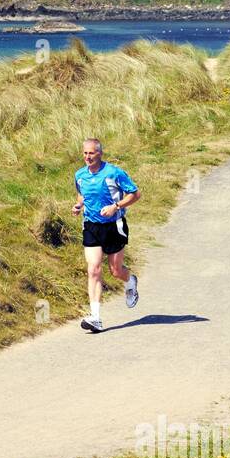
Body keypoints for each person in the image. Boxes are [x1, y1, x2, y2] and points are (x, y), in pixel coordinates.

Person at [71, 138, 141, 332]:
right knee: (93, 269)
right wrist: (79, 206)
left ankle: (130, 281)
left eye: (91, 153)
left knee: (115, 271)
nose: (87, 157)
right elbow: (82, 195)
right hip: (91, 225)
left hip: (114, 225)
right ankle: (95, 317)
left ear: (100, 153)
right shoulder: (80, 175)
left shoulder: (114, 173)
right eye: (85, 153)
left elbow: (135, 194)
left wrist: (115, 206)